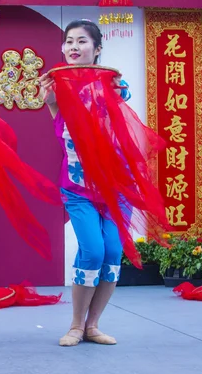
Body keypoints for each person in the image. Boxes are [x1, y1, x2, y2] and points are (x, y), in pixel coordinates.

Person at [38, 19, 133, 347]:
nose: (73, 47)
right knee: (92, 250)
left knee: (113, 253)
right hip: (77, 187)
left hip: (117, 185)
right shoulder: (57, 86)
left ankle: (93, 325)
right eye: (69, 41)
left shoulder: (113, 84)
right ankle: (76, 325)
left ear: (97, 49)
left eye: (82, 41)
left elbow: (122, 100)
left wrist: (116, 87)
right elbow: (45, 101)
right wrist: (45, 90)